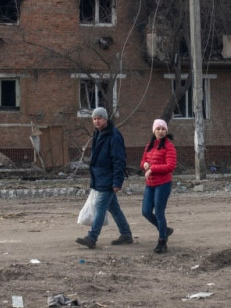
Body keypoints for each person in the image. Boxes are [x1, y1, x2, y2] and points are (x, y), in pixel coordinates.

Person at [76, 106, 132, 249]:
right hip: (100, 177)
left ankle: (92, 237)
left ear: (106, 119)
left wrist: (117, 181)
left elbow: (119, 160)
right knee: (114, 208)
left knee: (100, 206)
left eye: (99, 118)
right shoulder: (98, 133)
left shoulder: (114, 135)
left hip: (108, 178)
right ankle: (126, 234)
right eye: (94, 119)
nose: (96, 121)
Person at [140, 118, 177, 253]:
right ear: (154, 130)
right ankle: (165, 230)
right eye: (158, 129)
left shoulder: (169, 146)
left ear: (166, 131)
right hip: (150, 184)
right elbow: (143, 160)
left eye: (163, 129)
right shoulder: (149, 145)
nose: (160, 131)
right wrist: (144, 165)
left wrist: (152, 169)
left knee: (159, 213)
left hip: (163, 184)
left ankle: (162, 241)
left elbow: (170, 166)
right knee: (145, 211)